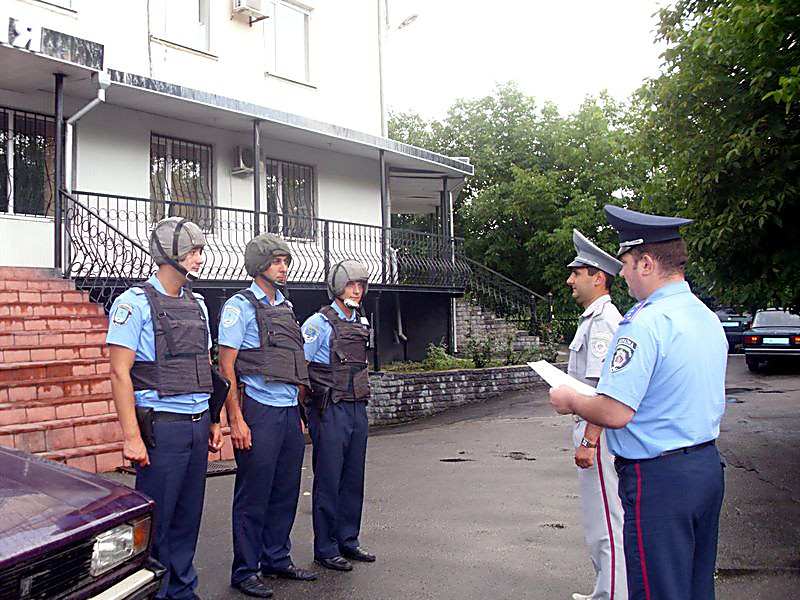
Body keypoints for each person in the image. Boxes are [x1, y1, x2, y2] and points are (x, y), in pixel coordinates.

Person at [550, 205, 727, 600]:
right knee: (696, 587)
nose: (623, 273)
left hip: (660, 479)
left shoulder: (645, 323)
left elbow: (615, 411)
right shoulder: (704, 316)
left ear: (646, 263)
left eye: (627, 263)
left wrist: (571, 400)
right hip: (705, 467)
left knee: (657, 589)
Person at [107, 216, 222, 600]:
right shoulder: (133, 303)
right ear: (168, 255)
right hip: (163, 426)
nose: (199, 259)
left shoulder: (199, 305)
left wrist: (214, 420)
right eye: (192, 252)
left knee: (189, 517)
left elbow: (203, 366)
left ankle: (183, 591)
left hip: (196, 420)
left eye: (201, 251)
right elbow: (120, 374)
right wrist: (131, 438)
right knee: (159, 520)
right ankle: (154, 592)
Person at [218, 233, 315, 599]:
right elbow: (226, 367)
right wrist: (236, 420)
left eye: (286, 261)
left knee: (286, 489)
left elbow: (292, 363)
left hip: (288, 412)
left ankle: (276, 557)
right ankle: (245, 570)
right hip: (257, 409)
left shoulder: (286, 307)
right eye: (277, 261)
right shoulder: (238, 307)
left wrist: (299, 414)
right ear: (260, 265)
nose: (284, 267)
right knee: (253, 493)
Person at [564, 229, 627, 600]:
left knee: (607, 521)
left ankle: (614, 595)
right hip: (593, 430)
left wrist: (589, 440)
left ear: (598, 277)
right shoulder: (593, 318)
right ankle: (606, 589)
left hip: (598, 435)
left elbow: (606, 389)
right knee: (598, 520)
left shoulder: (604, 322)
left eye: (577, 273)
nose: (571, 280)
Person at [301, 260, 375, 572]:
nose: (356, 290)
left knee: (353, 477)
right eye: (350, 284)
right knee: (329, 479)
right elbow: (300, 368)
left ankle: (348, 539)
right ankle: (325, 547)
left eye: (360, 285)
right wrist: (305, 413)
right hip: (329, 409)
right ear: (337, 286)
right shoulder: (317, 323)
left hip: (358, 408)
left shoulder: (362, 322)